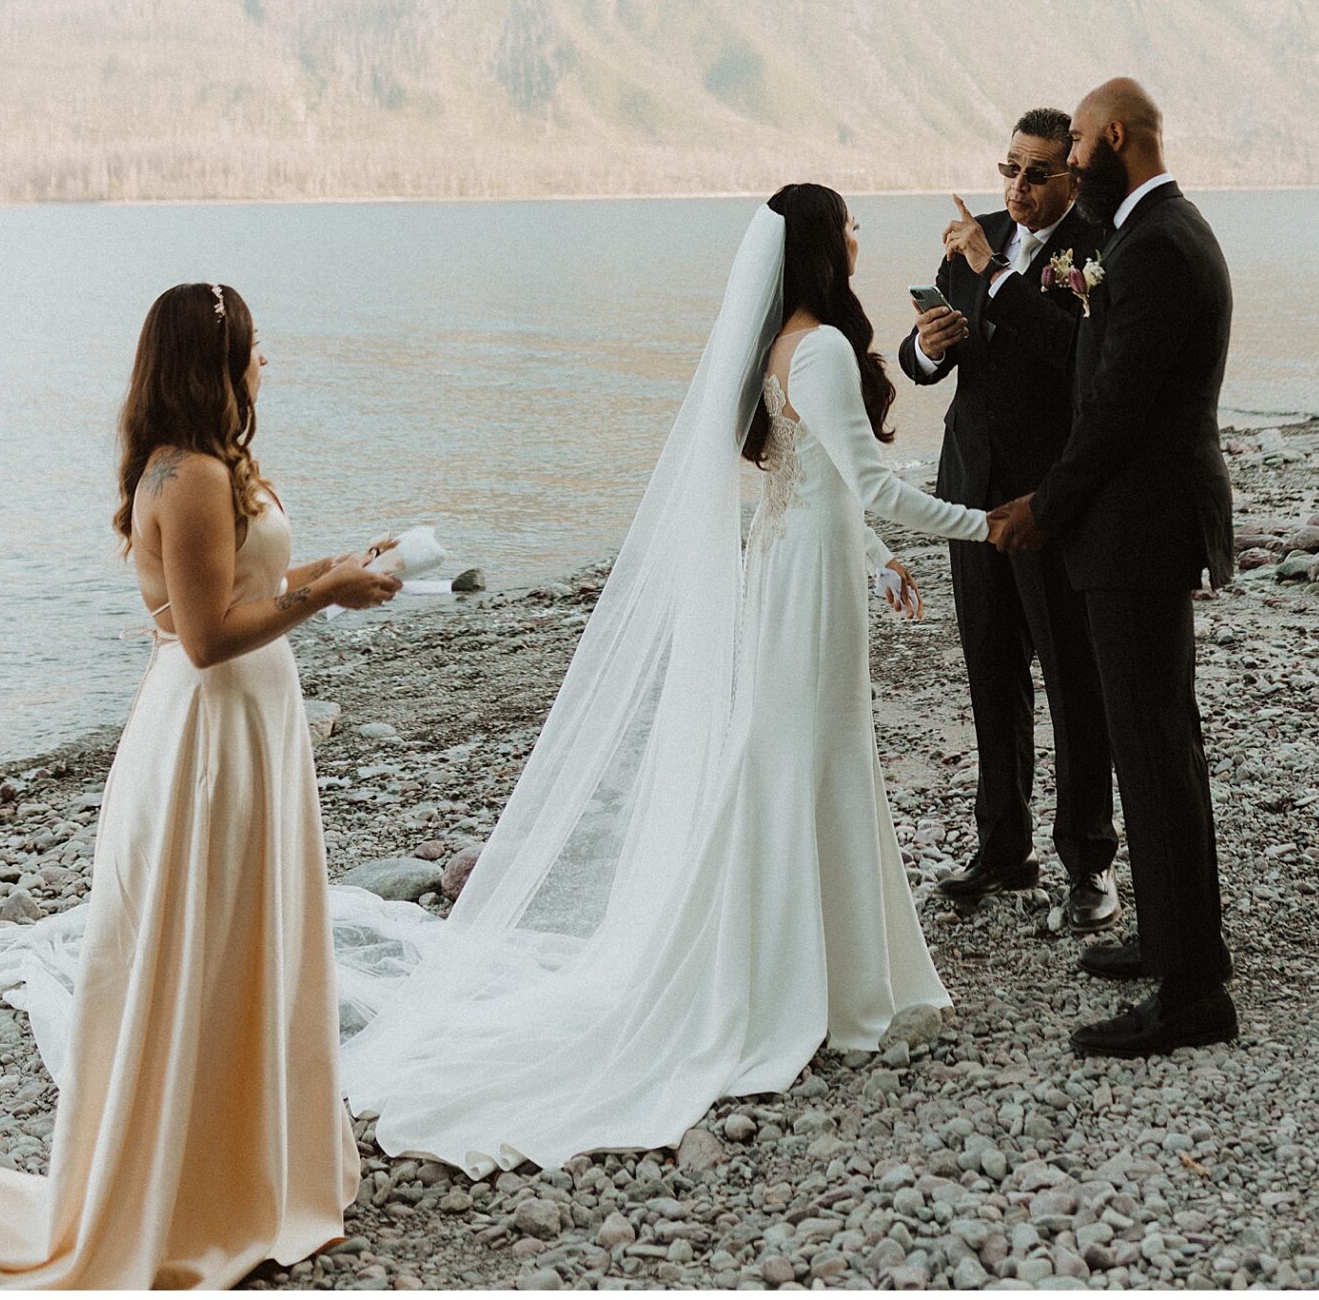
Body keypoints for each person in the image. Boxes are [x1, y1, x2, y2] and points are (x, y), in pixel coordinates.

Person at [339, 187, 991, 1171]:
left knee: (796, 760)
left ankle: (807, 968)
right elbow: (869, 485)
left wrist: (875, 560)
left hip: (792, 560)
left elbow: (802, 477)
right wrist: (988, 522)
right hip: (807, 574)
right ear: (821, 244)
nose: (859, 233)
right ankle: (822, 985)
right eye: (847, 222)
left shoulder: (783, 345)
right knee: (809, 761)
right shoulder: (818, 349)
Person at [0, 283, 400, 1290]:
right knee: (205, 947)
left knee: (249, 941)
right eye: (252, 349)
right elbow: (206, 638)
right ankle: (199, 1196)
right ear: (214, 361)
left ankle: (252, 1170)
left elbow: (253, 584)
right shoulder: (193, 475)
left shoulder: (220, 462)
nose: (263, 366)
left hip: (251, 725)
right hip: (208, 734)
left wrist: (339, 566)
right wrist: (321, 597)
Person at [987, 78, 1237, 1058]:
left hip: (1137, 533)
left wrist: (1043, 510)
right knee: (1157, 745)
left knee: (1157, 747)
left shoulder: (1161, 246)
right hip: (1136, 529)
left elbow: (1117, 413)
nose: (1074, 159)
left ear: (1114, 137)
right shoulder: (1153, 234)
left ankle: (1191, 994)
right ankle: (1178, 941)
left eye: (1080, 144)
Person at [898, 106, 1120, 931]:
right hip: (970, 489)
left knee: (1072, 681)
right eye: (1008, 169)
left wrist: (997, 276)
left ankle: (1090, 864)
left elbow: (1073, 350)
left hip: (1054, 495)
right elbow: (929, 368)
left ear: (1071, 177)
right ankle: (1002, 849)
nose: (1016, 188)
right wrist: (927, 343)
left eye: (1035, 174)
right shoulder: (973, 237)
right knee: (990, 676)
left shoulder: (1095, 248)